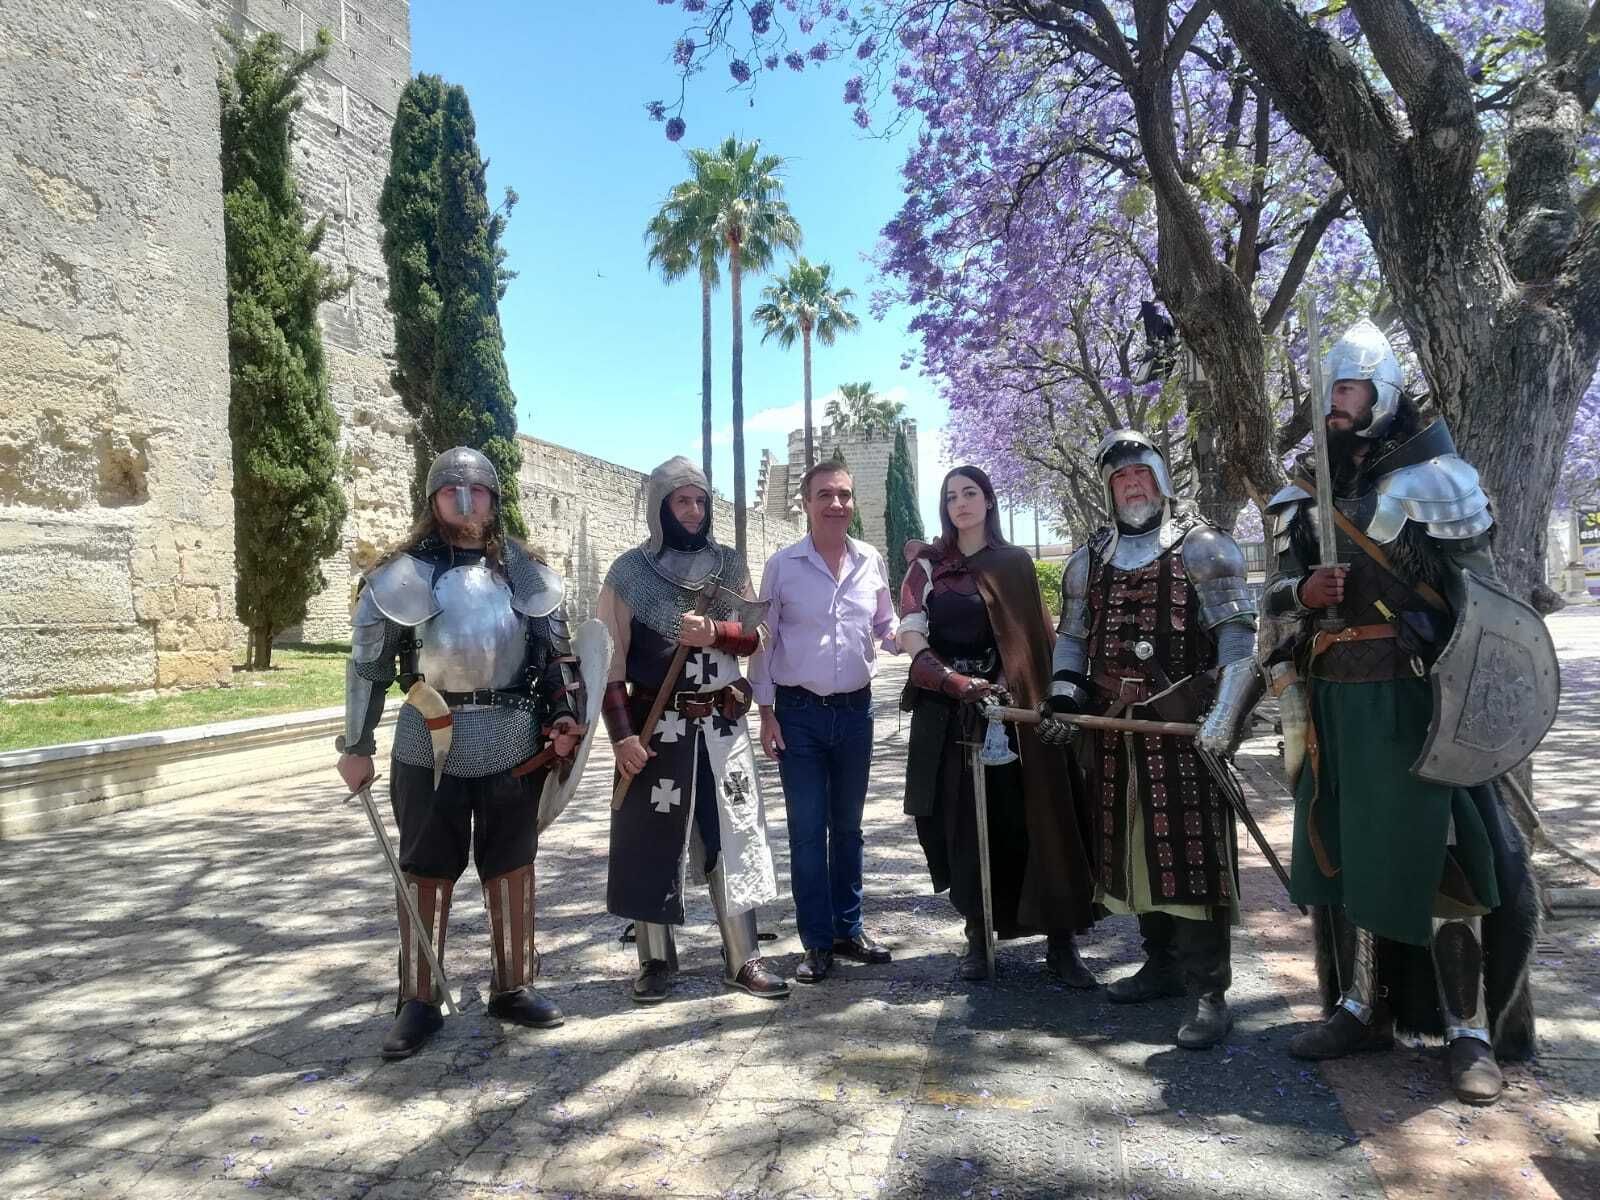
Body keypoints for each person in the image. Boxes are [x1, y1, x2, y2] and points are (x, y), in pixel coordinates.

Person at [1263, 319, 1537, 1105]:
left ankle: (1468, 1030)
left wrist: (1460, 684)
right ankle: (1360, 1008)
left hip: (1416, 701)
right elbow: (1274, 606)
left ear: (1382, 394)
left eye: (1346, 390)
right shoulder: (1305, 498)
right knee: (1347, 854)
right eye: (1327, 393)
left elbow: (1484, 602)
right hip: (1336, 706)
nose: (1333, 405)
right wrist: (1300, 592)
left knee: (1445, 857)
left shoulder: (1437, 481)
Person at [336, 447, 585, 1059]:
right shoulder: (402, 575)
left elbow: (556, 655)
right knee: (426, 869)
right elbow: (368, 667)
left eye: (479, 493)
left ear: (495, 502)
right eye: (454, 492)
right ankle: (419, 1000)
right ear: (434, 500)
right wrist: (356, 745)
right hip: (428, 736)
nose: (468, 504)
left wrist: (561, 718)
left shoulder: (522, 571)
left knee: (511, 865)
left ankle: (514, 985)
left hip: (510, 737)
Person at [1039, 430, 1260, 1050]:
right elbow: (1074, 638)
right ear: (1109, 491)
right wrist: (1064, 695)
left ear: (1160, 481)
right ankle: (1160, 965)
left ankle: (1210, 992)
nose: (1131, 486)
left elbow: (1240, 642)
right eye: (1120, 479)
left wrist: (1221, 719)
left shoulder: (1204, 548)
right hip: (1116, 727)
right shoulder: (1091, 557)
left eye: (1140, 475)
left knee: (1189, 857)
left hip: (1182, 728)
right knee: (1132, 851)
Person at [597, 456, 788, 1003]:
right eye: (682, 500)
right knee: (649, 841)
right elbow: (609, 660)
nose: (694, 509)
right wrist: (623, 737)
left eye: (701, 500)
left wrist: (718, 632)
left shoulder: (728, 564)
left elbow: (758, 637)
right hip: (657, 731)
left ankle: (743, 957)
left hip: (722, 728)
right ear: (661, 506)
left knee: (733, 834)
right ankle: (655, 961)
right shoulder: (629, 573)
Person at [898, 466, 1098, 983]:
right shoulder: (927, 569)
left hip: (1018, 716)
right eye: (950, 496)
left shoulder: (1015, 564)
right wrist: (953, 684)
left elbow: (1035, 641)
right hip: (952, 718)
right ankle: (977, 936)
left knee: (1036, 819)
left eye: (970, 493)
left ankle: (1061, 942)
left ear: (988, 501)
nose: (960, 503)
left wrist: (1048, 700)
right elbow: (912, 641)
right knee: (965, 826)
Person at [749, 460, 899, 983]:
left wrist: (913, 636)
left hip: (857, 713)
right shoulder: (783, 565)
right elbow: (763, 640)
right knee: (809, 833)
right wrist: (765, 713)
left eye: (843, 495)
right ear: (806, 503)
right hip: (800, 716)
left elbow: (885, 625)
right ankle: (816, 942)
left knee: (850, 830)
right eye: (824, 495)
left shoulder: (871, 560)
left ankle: (848, 929)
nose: (835, 504)